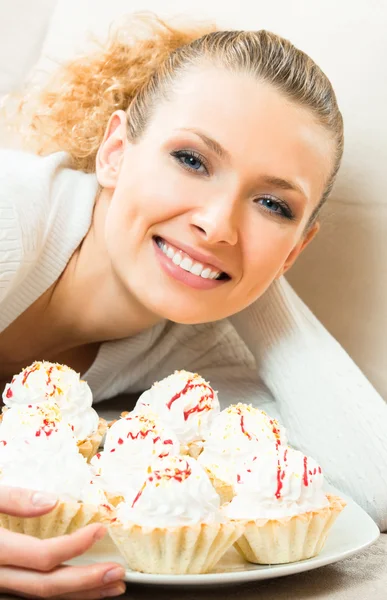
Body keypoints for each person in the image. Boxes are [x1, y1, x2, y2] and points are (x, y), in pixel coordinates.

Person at [0, 12, 386, 599]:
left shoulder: (195, 351)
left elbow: (371, 486)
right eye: (191, 160)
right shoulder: (12, 217)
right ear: (114, 152)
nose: (216, 223)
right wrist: (236, 250)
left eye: (273, 204)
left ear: (298, 249)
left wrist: (255, 273)